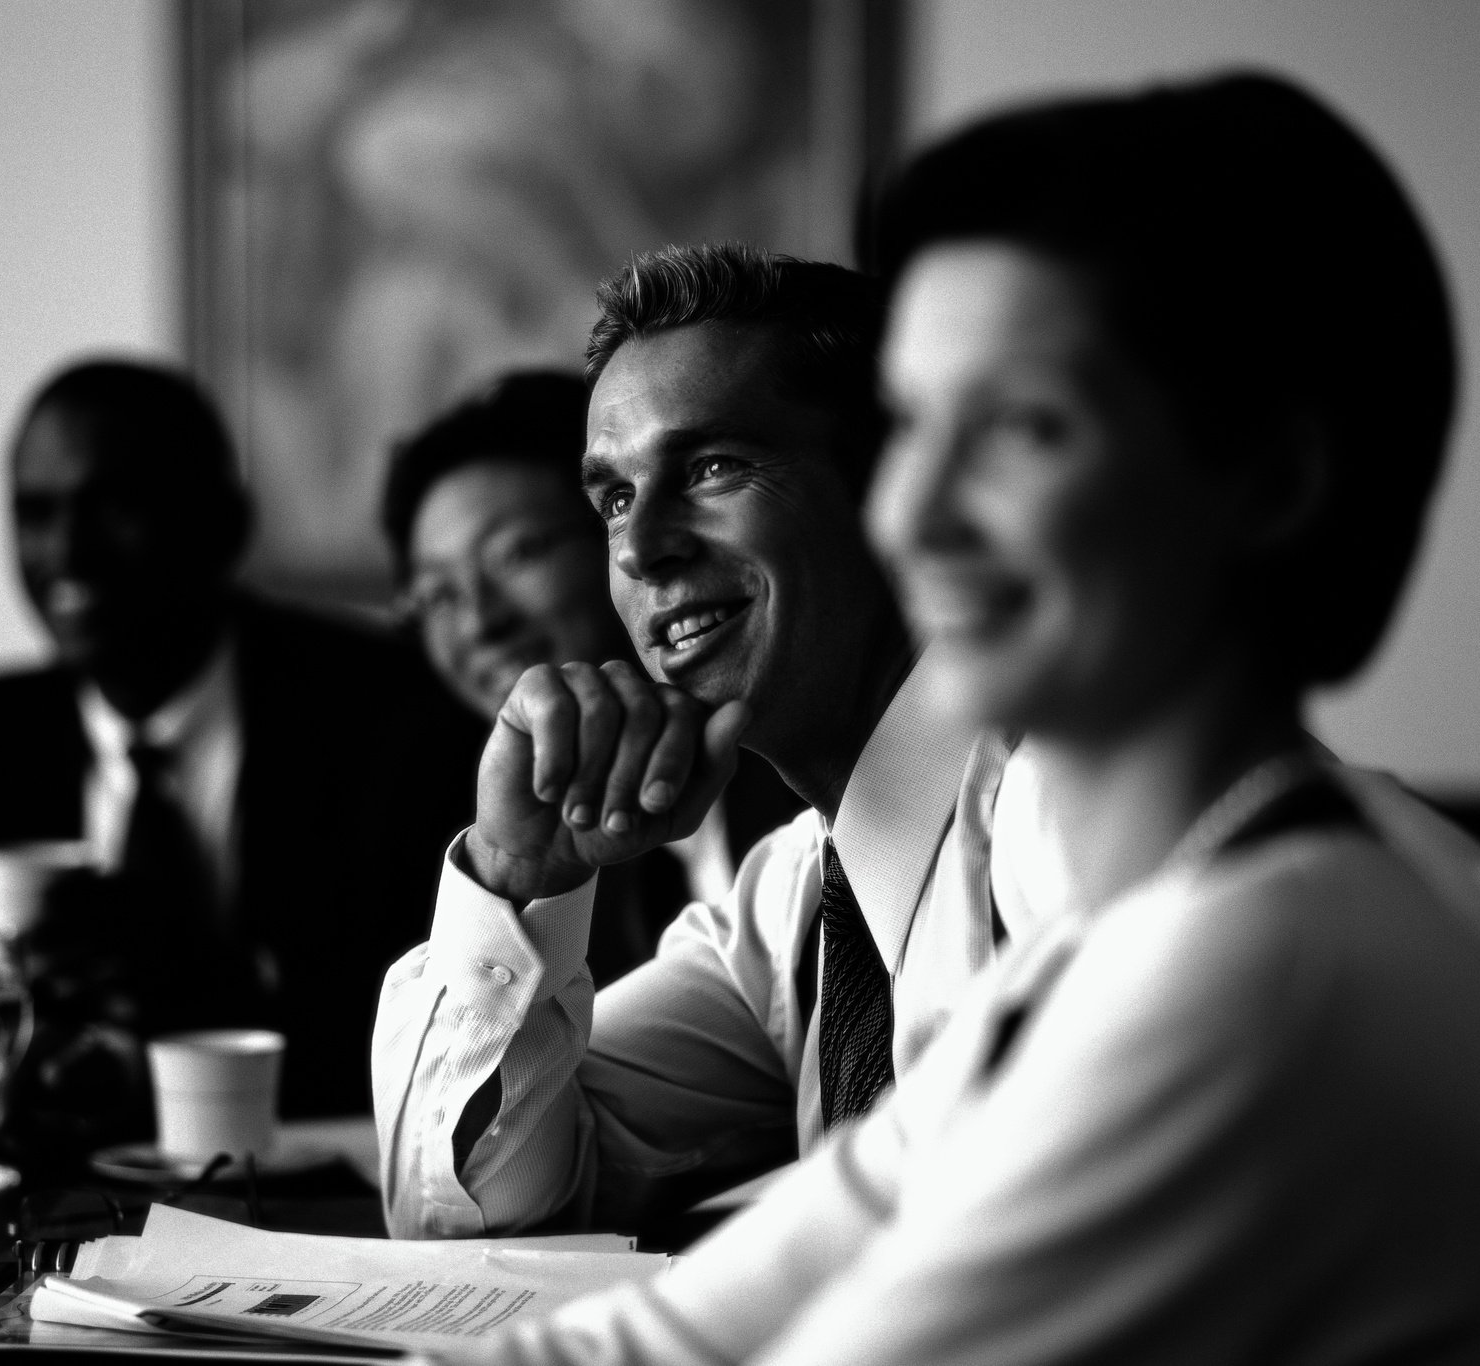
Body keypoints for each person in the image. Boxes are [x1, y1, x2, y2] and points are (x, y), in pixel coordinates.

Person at [420, 72, 1480, 1364]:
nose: (917, 513)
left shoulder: (1258, 971)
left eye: (1021, 427)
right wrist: (515, 873)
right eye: (918, 427)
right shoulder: (1082, 962)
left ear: (1271, 483)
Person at [373, 245, 1012, 1238]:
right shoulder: (790, 908)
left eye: (714, 468)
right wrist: (516, 872)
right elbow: (465, 1209)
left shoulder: (1074, 815)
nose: (637, 548)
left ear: (893, 490)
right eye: (615, 498)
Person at [0, 359, 485, 1126]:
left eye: (116, 505)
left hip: (311, 1184)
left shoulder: (382, 709)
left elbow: (448, 1017)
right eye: (36, 513)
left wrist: (225, 977)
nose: (67, 551)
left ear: (227, 526)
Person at [380, 370, 802, 984]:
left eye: (517, 554)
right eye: (437, 593)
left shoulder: (794, 752)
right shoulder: (473, 830)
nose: (479, 622)